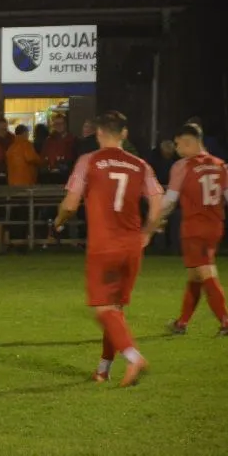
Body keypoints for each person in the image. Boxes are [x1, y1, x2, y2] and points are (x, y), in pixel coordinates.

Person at [53, 111, 163, 387]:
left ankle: (134, 357)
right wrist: (147, 233)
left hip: (104, 246)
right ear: (124, 134)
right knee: (115, 310)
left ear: (99, 133)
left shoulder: (88, 161)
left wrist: (59, 221)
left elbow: (70, 204)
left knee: (103, 309)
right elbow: (157, 205)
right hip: (131, 246)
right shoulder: (141, 165)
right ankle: (103, 369)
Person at [143, 124, 228, 336]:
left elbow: (170, 200)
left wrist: (154, 220)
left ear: (189, 142)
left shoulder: (183, 166)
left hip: (194, 228)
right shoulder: (221, 165)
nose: (177, 148)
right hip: (215, 227)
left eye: (178, 143)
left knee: (205, 272)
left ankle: (226, 322)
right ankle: (182, 323)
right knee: (195, 275)